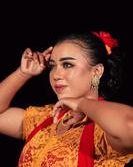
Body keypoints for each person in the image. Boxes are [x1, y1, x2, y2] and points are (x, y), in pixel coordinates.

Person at [0, 31, 133, 167]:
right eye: (52, 66)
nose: (56, 75)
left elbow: (130, 125)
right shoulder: (47, 118)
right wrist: (22, 73)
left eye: (67, 65)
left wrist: (81, 103)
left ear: (96, 71)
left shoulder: (103, 131)